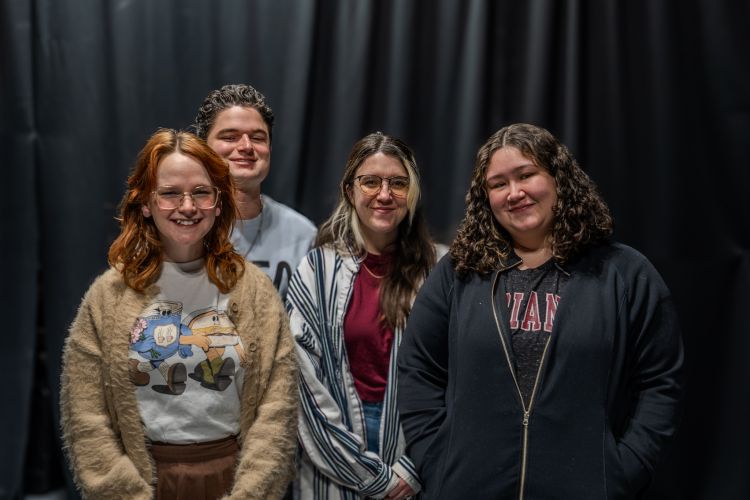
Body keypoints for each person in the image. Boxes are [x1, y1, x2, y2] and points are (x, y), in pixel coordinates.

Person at [397, 123, 685, 499]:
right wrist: (437, 462)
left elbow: (660, 383)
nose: (514, 193)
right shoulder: (458, 273)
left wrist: (623, 471)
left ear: (558, 178)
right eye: (498, 184)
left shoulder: (623, 274)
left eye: (526, 175)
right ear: (486, 198)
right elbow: (417, 370)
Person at [60, 129, 298, 499]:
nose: (187, 207)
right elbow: (86, 415)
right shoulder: (108, 297)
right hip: (144, 480)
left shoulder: (254, 291)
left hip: (234, 479)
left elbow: (277, 406)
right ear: (145, 203)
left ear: (218, 202)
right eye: (170, 193)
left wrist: (251, 493)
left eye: (201, 192)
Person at [286, 132, 437, 499]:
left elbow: (453, 379)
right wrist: (365, 473)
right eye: (370, 182)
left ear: (412, 193)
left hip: (414, 449)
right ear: (349, 190)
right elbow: (303, 383)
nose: (384, 195)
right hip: (332, 450)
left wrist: (413, 467)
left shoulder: (438, 272)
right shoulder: (317, 270)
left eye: (398, 183)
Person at [194, 83, 317, 300]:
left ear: (269, 148)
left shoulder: (303, 235)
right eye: (230, 137)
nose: (246, 146)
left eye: (258, 137)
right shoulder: (179, 225)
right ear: (202, 148)